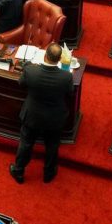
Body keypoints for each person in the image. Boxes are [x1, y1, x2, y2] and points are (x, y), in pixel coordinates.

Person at [9, 42, 73, 184]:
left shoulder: (31, 71)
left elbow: (21, 83)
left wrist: (28, 66)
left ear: (45, 56)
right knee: (52, 145)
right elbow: (70, 92)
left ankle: (18, 171)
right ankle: (49, 174)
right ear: (59, 59)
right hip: (54, 118)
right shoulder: (66, 77)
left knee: (26, 143)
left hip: (32, 116)